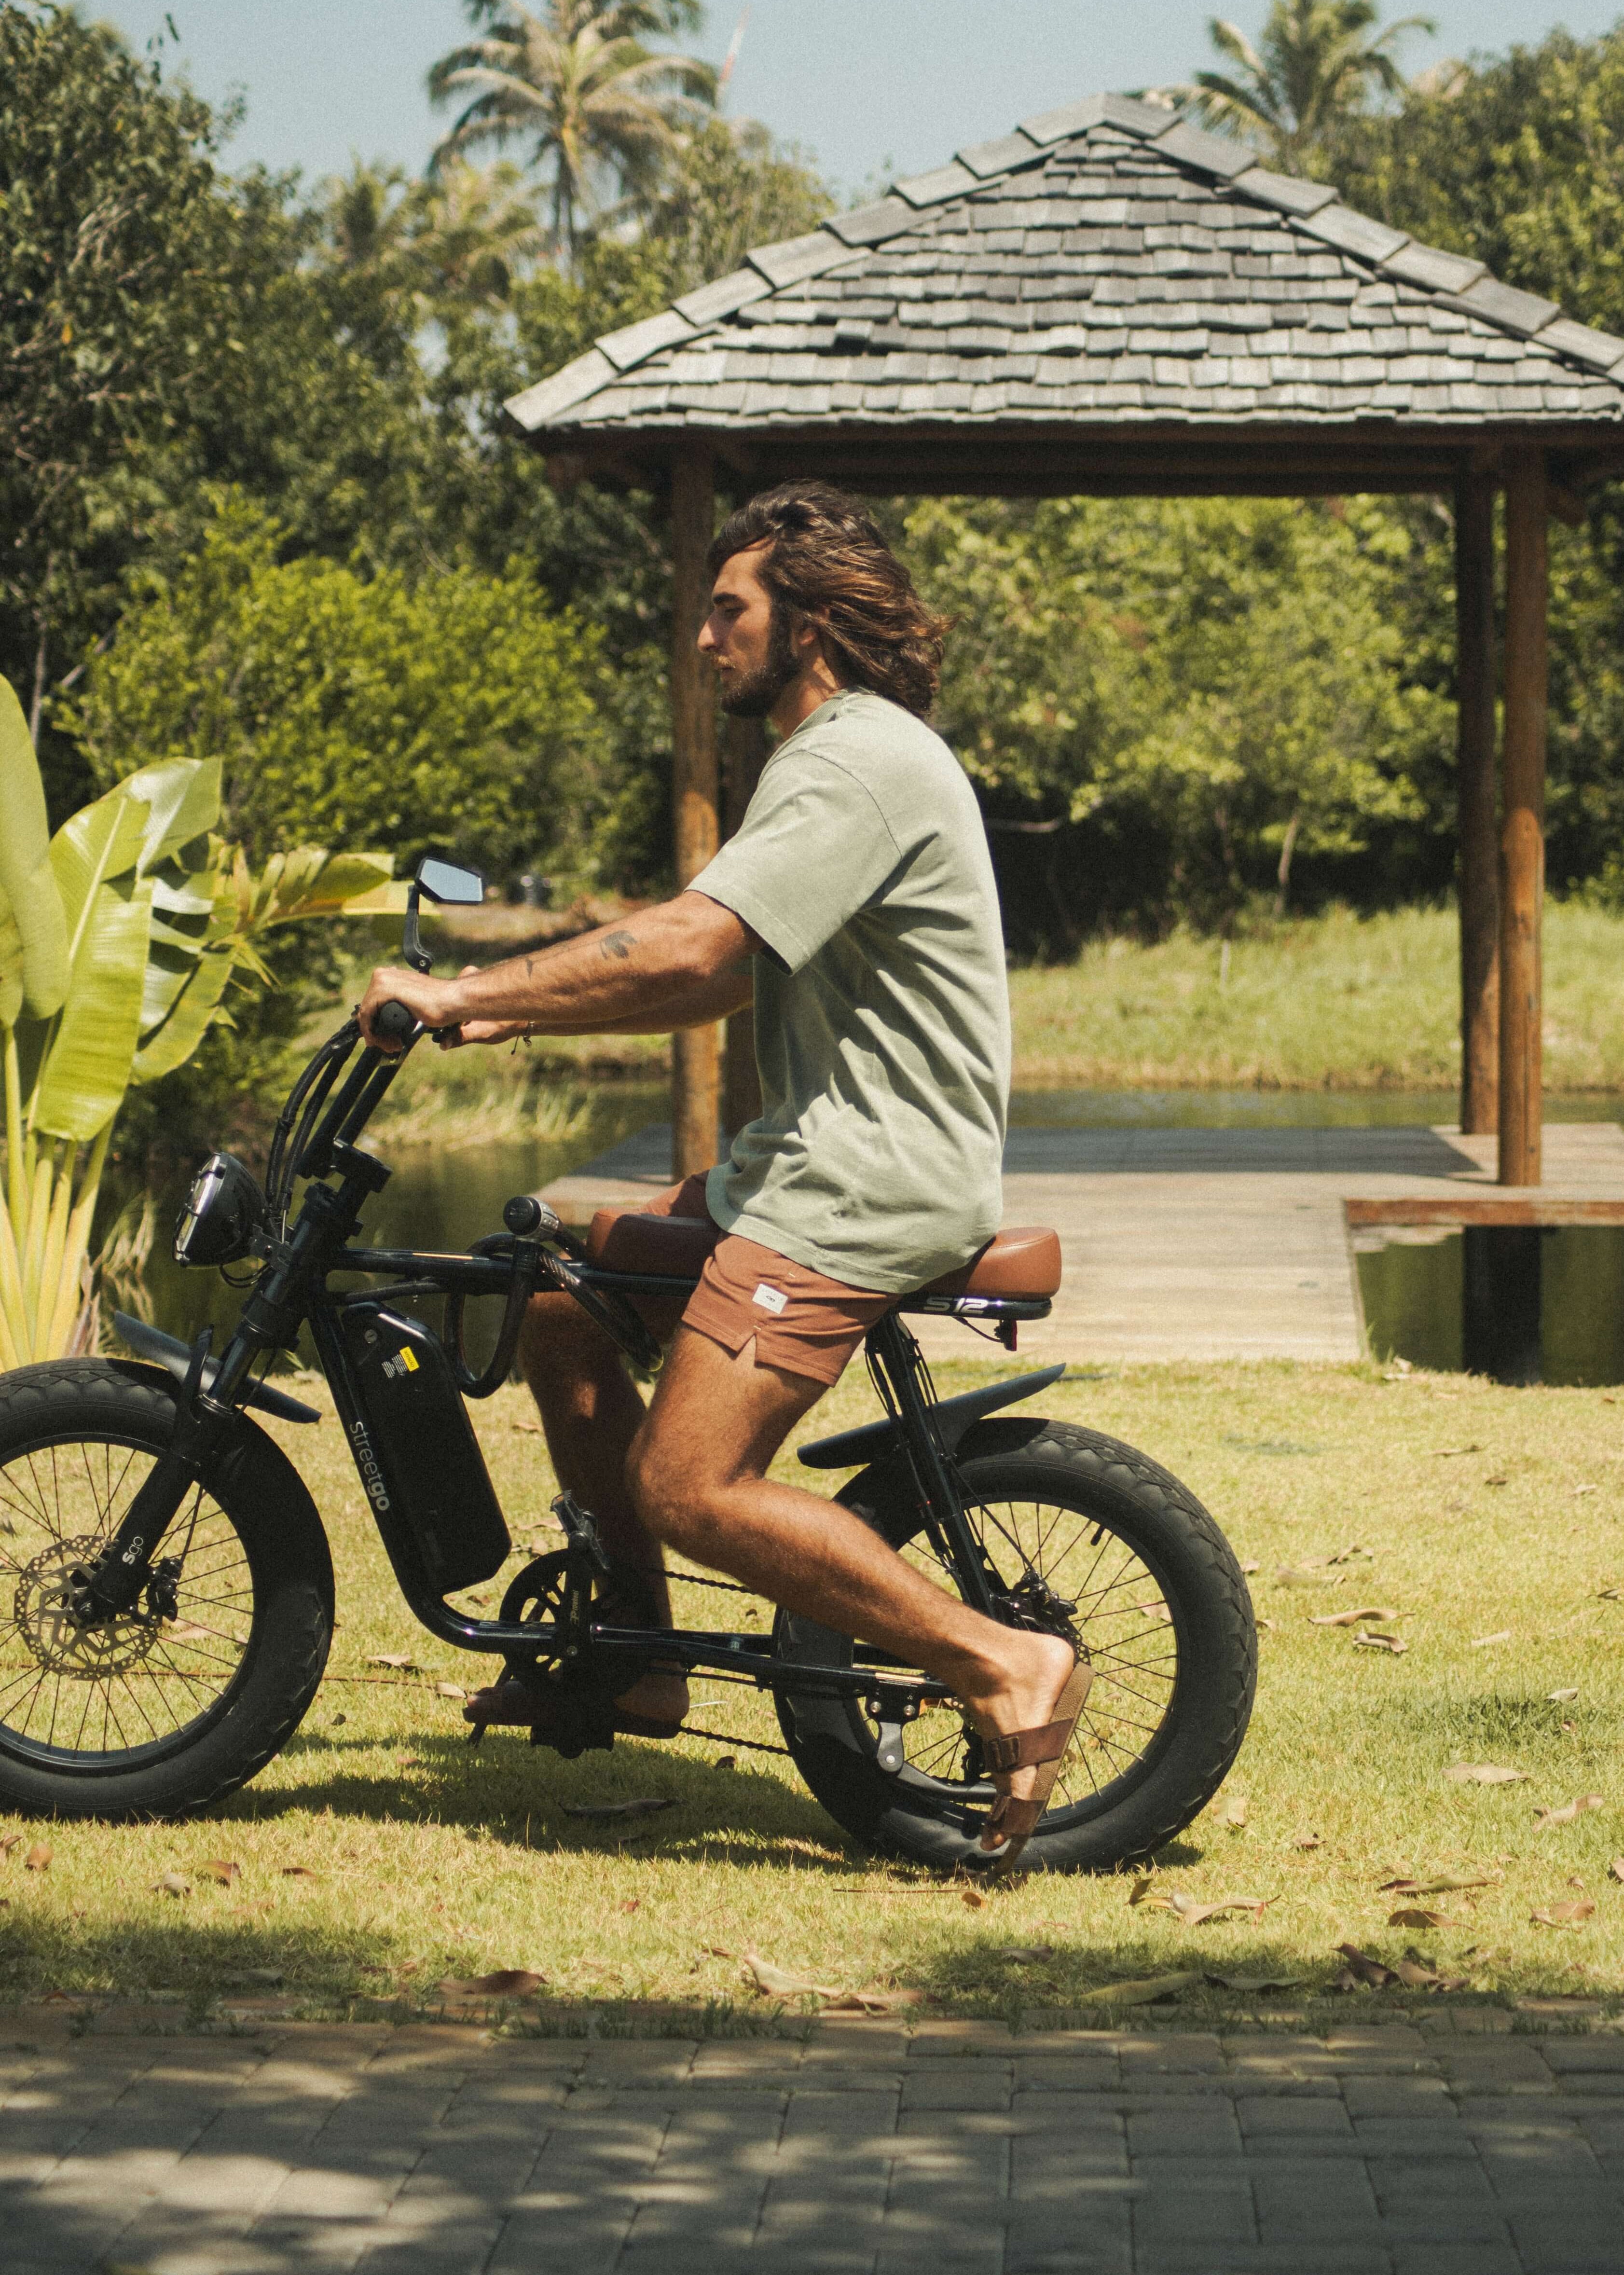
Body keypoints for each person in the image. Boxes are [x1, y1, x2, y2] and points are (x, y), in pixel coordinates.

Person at [357, 482, 1087, 1861]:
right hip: (803, 1162)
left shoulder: (854, 761)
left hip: (863, 1179)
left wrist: (462, 988)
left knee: (688, 1484)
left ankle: (1002, 1660)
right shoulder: (831, 758)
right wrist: (509, 1009)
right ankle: (639, 1660)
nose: (703, 639)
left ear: (805, 624)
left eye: (727, 609)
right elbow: (715, 973)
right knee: (564, 1307)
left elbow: (696, 943)